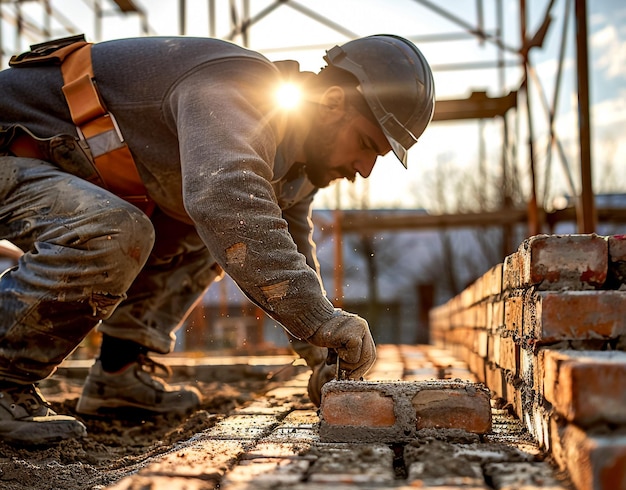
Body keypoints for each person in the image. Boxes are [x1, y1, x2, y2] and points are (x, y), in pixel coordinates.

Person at [0, 33, 435, 445]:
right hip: (10, 143)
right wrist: (319, 319)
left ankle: (121, 372)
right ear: (333, 103)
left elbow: (289, 250)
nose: (364, 169)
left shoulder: (295, 170)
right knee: (133, 229)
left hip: (48, 164)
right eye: (366, 144)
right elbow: (225, 198)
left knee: (222, 235)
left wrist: (320, 349)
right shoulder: (244, 87)